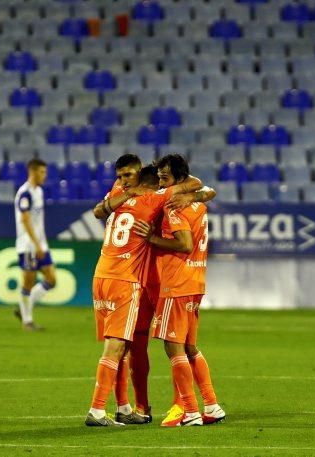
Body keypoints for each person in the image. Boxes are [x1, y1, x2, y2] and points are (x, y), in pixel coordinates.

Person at [92, 153, 213, 422]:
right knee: (131, 343)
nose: (122, 180)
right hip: (137, 279)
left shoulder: (161, 194)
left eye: (127, 176)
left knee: (175, 343)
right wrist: (125, 193)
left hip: (158, 278)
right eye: (121, 176)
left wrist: (192, 196)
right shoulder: (123, 190)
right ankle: (135, 407)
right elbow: (99, 210)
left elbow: (203, 187)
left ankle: (181, 405)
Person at [133, 154, 225, 426]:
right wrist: (195, 196)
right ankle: (212, 405)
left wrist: (152, 238)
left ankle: (190, 411)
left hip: (178, 283)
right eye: (159, 177)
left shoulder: (175, 207)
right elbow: (207, 190)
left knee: (174, 350)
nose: (162, 183)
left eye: (166, 178)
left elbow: (184, 244)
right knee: (190, 347)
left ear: (180, 179)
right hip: (196, 281)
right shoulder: (197, 203)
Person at [13, 158, 56, 331]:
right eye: (42, 172)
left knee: (51, 280)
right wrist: (36, 244)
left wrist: (41, 244)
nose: (44, 175)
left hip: (40, 244)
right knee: (28, 283)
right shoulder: (25, 193)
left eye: (45, 172)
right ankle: (27, 321)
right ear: (32, 172)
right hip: (29, 246)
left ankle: (23, 309)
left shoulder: (39, 191)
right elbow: (25, 220)